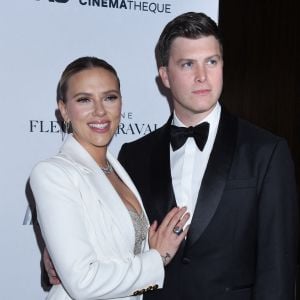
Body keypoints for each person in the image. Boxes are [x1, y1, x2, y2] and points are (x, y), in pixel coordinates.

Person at [45, 12, 299, 300]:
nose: (202, 76)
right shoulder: (133, 156)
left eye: (211, 62)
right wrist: (58, 251)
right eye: (188, 64)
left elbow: (278, 269)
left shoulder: (266, 151)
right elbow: (109, 235)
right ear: (165, 75)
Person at [30, 56, 190, 300]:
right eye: (84, 99)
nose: (100, 111)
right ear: (64, 110)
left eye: (109, 97)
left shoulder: (122, 168)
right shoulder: (53, 174)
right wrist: (158, 258)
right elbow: (82, 284)